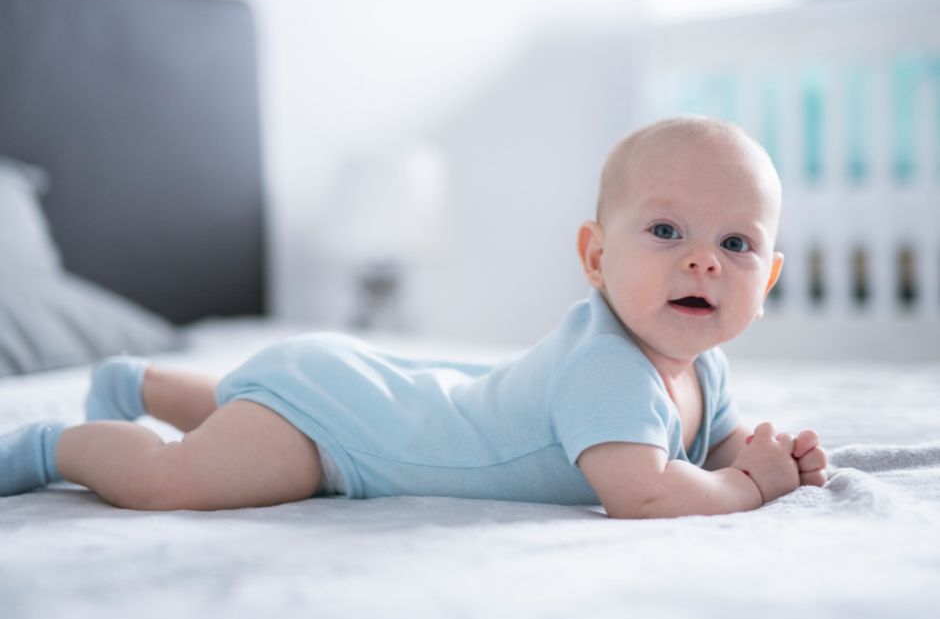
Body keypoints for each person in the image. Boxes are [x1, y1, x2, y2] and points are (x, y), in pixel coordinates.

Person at [0, 116, 827, 518]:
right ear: (596, 257)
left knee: (247, 403)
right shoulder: (608, 367)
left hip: (364, 387)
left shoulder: (700, 363)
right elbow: (645, 494)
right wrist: (747, 487)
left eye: (736, 243)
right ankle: (52, 444)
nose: (702, 260)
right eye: (666, 231)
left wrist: (760, 449)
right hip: (343, 437)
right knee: (173, 480)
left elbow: (707, 439)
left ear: (770, 276)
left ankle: (141, 380)